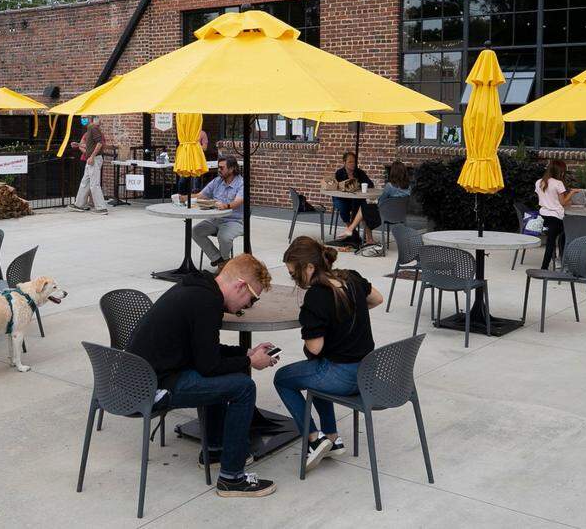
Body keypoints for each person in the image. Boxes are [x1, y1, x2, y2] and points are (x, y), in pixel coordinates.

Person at [127, 254, 279, 497]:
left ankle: (215, 450)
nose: (249, 306)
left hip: (141, 377)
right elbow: (209, 366)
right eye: (252, 299)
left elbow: (206, 353)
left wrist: (245, 353)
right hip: (151, 388)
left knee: (226, 376)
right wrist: (251, 362)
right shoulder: (207, 303)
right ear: (240, 286)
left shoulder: (198, 289)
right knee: (243, 386)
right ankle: (232, 478)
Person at [273, 236, 383, 470]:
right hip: (367, 372)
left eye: (294, 273)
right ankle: (331, 437)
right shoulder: (351, 277)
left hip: (343, 377)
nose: (294, 279)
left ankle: (314, 439)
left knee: (282, 378)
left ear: (309, 267)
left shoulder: (317, 295)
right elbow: (377, 299)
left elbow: (314, 348)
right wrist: (350, 313)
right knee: (314, 371)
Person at [343, 160, 412, 250]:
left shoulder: (389, 186)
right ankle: (365, 237)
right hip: (400, 216)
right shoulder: (408, 187)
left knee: (364, 207)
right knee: (365, 207)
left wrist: (372, 201)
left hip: (385, 215)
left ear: (393, 173)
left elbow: (381, 201)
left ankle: (358, 232)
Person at [190, 156, 244, 267]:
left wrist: (226, 206)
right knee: (195, 231)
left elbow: (238, 201)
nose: (219, 170)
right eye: (218, 167)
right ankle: (220, 260)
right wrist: (184, 197)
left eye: (222, 168)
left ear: (232, 169)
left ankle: (224, 264)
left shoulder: (241, 183)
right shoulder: (217, 181)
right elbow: (201, 195)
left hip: (234, 220)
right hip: (215, 219)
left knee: (224, 237)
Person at [535, 159, 579, 269]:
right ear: (560, 171)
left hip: (543, 217)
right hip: (556, 218)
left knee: (551, 241)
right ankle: (560, 260)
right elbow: (563, 202)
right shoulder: (558, 184)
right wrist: (572, 193)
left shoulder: (539, 182)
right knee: (565, 234)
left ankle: (546, 266)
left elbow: (545, 199)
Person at [68, 116, 109, 215]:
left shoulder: (93, 127)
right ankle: (79, 204)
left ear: (90, 118)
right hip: (90, 159)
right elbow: (90, 145)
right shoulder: (90, 129)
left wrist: (92, 156)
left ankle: (101, 208)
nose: (83, 119)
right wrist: (78, 144)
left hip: (93, 159)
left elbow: (99, 143)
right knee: (85, 182)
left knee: (94, 184)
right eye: (82, 118)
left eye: (85, 117)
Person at [331, 151, 373, 243]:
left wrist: (358, 185)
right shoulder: (339, 173)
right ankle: (352, 229)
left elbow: (370, 184)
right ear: (344, 162)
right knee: (342, 206)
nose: (353, 164)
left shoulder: (359, 172)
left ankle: (367, 237)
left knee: (365, 206)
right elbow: (336, 188)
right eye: (350, 162)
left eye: (354, 161)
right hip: (343, 199)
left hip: (356, 199)